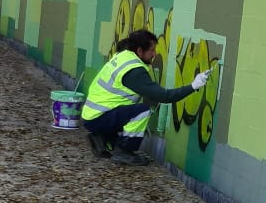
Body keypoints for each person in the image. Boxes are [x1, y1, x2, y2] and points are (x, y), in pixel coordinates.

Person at [80, 30, 211, 165]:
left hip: (92, 114)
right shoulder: (134, 72)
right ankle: (124, 152)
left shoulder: (124, 56)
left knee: (128, 115)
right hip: (99, 117)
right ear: (139, 51)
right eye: (152, 50)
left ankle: (101, 137)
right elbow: (164, 96)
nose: (154, 54)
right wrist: (193, 86)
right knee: (143, 111)